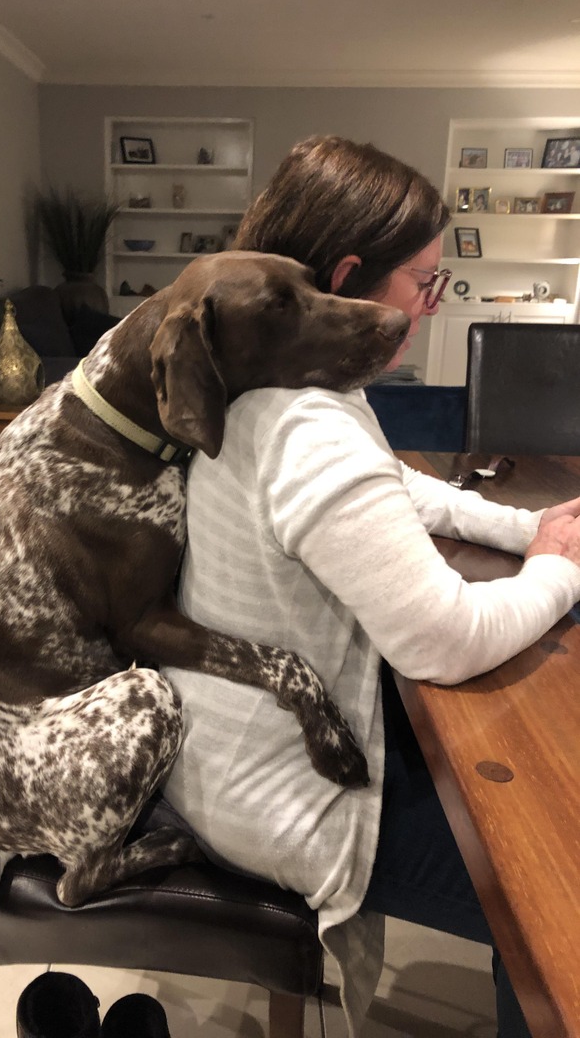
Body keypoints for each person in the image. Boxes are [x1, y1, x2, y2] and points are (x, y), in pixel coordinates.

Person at [159, 136, 580, 1037]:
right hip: (280, 791)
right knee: (561, 891)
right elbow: (443, 640)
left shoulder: (275, 372)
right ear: (353, 274)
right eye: (426, 283)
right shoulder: (302, 421)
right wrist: (558, 568)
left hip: (240, 743)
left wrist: (529, 529)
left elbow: (388, 481)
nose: (431, 304)